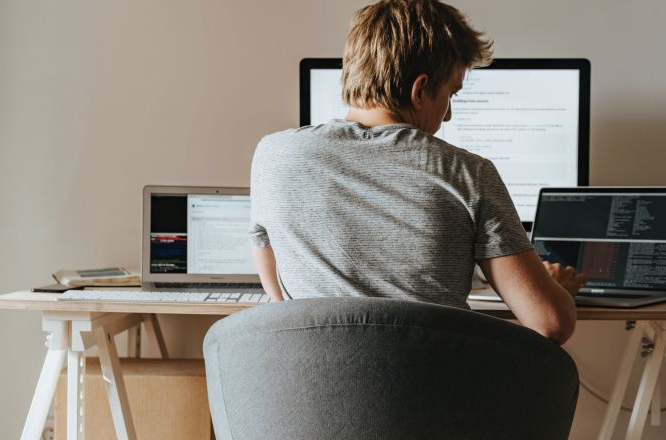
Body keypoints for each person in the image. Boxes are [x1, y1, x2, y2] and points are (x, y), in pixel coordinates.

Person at [248, 0, 585, 344]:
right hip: (433, 394)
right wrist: (559, 290)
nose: (449, 115)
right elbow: (550, 323)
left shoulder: (272, 156)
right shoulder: (468, 173)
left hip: (309, 391)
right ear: (420, 90)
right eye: (451, 93)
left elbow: (281, 304)